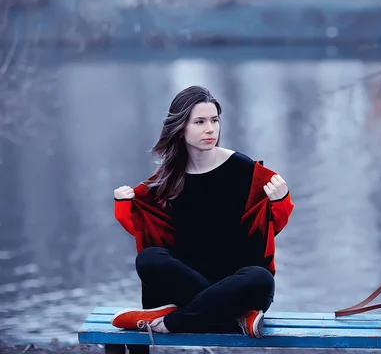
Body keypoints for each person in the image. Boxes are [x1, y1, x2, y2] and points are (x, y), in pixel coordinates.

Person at [110, 86, 294, 339]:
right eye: (199, 122)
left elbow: (273, 224)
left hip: (240, 286)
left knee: (260, 277)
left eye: (214, 120)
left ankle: (169, 322)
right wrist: (122, 204)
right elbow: (141, 225)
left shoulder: (243, 169)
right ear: (180, 128)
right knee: (149, 258)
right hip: (186, 285)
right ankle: (237, 317)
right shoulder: (168, 178)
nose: (211, 129)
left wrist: (280, 199)